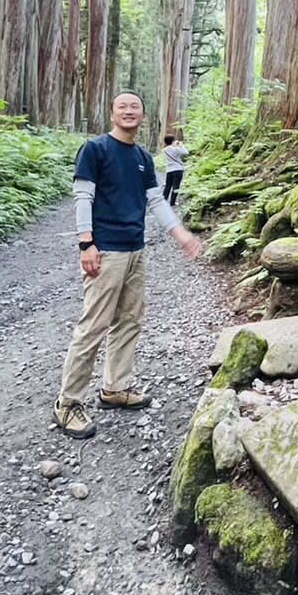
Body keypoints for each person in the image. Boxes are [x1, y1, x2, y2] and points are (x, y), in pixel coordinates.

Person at [53, 92, 202, 440]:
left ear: (144, 116)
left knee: (129, 321)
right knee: (93, 326)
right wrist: (86, 243)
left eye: (135, 106)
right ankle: (67, 403)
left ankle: (115, 387)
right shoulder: (95, 150)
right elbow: (83, 197)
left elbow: (154, 200)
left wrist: (179, 233)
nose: (129, 111)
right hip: (105, 250)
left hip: (136, 249)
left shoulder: (142, 157)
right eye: (123, 106)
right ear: (112, 113)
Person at [162, 133, 188, 206]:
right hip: (178, 169)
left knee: (168, 186)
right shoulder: (176, 149)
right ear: (173, 141)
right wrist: (181, 146)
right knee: (176, 186)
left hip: (169, 170)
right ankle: (172, 202)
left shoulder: (165, 150)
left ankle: (163, 201)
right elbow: (186, 152)